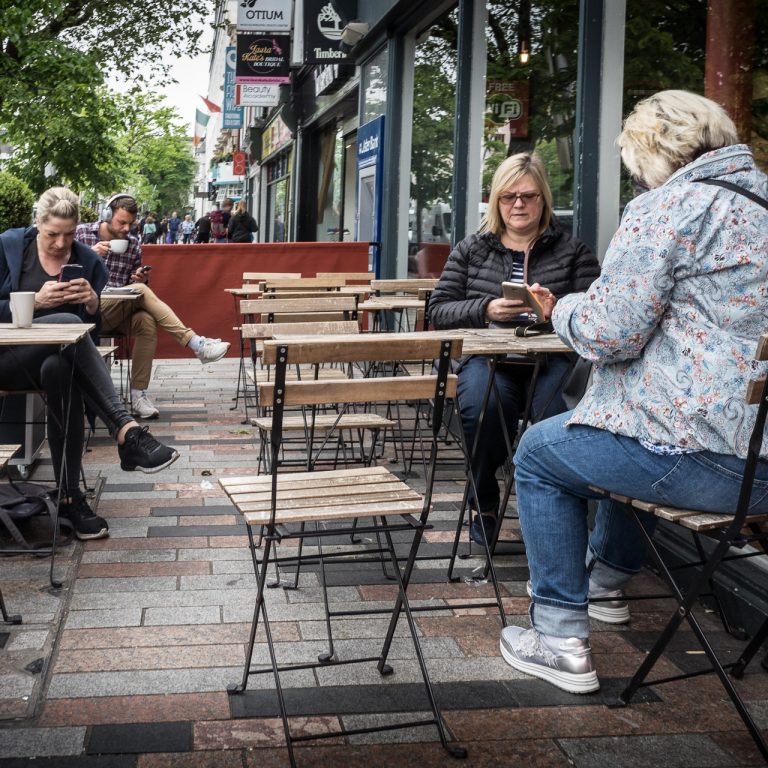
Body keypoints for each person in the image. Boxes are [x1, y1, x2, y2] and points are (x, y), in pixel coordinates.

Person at [500, 90, 768, 695]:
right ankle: (606, 584)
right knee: (612, 431)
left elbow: (608, 334)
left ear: (649, 153)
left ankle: (561, 638)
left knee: (543, 454)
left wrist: (562, 309)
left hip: (714, 464)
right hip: (762, 461)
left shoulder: (667, 209)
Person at [429, 153, 599, 544]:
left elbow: (597, 310)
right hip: (490, 359)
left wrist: (557, 309)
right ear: (495, 202)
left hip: (553, 360)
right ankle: (484, 501)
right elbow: (438, 309)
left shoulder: (573, 251)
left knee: (556, 419)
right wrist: (485, 307)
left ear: (544, 200)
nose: (518, 205)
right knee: (483, 409)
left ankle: (552, 512)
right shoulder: (473, 249)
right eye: (508, 197)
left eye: (528, 196)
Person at [0, 187, 179, 540]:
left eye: (68, 234)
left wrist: (94, 305)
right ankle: (126, 430)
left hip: (52, 361)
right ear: (38, 225)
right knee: (64, 326)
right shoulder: (9, 248)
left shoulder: (87, 259)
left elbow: (92, 335)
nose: (60, 243)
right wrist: (33, 301)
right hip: (7, 357)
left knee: (61, 368)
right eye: (52, 234)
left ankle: (69, 496)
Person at [75, 194, 230, 419]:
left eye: (131, 223)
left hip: (116, 308)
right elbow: (65, 271)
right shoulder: (82, 234)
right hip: (87, 308)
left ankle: (138, 395)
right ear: (107, 216)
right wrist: (90, 254)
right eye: (121, 222)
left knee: (146, 322)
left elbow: (131, 284)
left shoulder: (134, 243)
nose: (126, 228)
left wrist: (139, 278)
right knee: (140, 292)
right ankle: (196, 343)